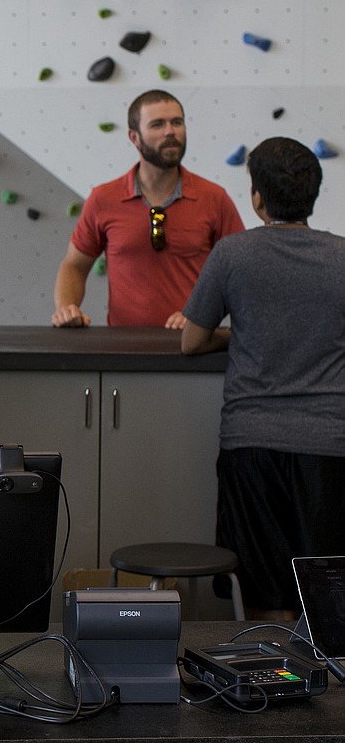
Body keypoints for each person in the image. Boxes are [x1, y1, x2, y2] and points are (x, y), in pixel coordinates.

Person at [181, 136, 345, 618]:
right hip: (330, 446)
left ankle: (271, 684)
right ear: (314, 193)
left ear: (257, 196)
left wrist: (243, 333)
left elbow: (191, 340)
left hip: (252, 444)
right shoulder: (342, 257)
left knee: (265, 593)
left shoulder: (234, 254)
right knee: (327, 591)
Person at [52, 90, 244, 328]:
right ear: (134, 137)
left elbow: (240, 274)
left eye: (177, 122)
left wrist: (204, 315)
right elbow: (74, 266)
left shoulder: (214, 198)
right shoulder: (103, 199)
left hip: (194, 351)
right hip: (123, 352)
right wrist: (67, 308)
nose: (170, 131)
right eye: (157, 124)